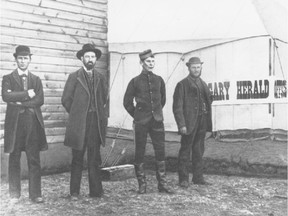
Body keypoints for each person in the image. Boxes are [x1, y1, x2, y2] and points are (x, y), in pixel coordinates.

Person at [123, 49, 174, 194]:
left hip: (157, 121)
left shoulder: (159, 80)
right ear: (141, 63)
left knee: (160, 151)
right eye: (148, 62)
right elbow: (127, 102)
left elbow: (162, 100)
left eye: (152, 61)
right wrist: (137, 115)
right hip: (141, 123)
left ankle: (162, 185)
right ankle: (142, 185)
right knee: (139, 152)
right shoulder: (135, 81)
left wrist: (155, 113)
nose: (151, 64)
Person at [1, 45, 48, 203]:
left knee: (34, 158)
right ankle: (14, 194)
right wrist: (27, 94)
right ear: (15, 59)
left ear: (30, 59)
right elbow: (6, 97)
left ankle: (35, 194)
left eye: (25, 58)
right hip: (15, 124)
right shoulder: (8, 78)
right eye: (20, 58)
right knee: (14, 158)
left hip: (32, 123)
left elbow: (40, 100)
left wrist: (20, 102)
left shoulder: (36, 79)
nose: (22, 61)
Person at [61, 43, 108, 200]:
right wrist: (77, 114)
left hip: (95, 123)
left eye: (93, 57)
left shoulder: (100, 78)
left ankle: (96, 191)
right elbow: (66, 99)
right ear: (82, 58)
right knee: (77, 158)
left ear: (96, 60)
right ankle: (74, 192)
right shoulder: (74, 77)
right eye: (87, 56)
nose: (90, 59)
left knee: (94, 158)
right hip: (79, 123)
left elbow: (103, 99)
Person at [172, 57, 212, 188]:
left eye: (198, 67)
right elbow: (177, 107)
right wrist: (181, 124)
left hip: (202, 121)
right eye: (194, 67)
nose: (196, 70)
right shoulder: (182, 84)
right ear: (188, 68)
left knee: (199, 150)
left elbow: (208, 101)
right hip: (189, 123)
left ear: (201, 68)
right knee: (185, 150)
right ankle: (183, 179)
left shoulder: (203, 83)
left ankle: (198, 177)